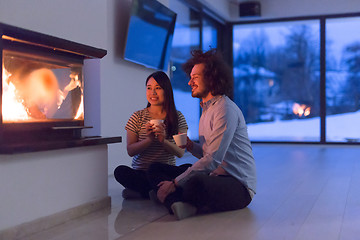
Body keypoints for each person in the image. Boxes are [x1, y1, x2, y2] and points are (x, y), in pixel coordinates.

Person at [147, 49, 257, 220]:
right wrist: (190, 146)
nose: (190, 82)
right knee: (156, 168)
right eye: (190, 77)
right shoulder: (206, 109)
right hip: (214, 174)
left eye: (195, 77)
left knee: (193, 182)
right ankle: (178, 202)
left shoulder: (224, 109)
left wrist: (175, 183)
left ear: (212, 78)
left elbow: (212, 160)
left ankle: (169, 197)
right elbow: (208, 155)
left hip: (237, 185)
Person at [114, 71, 189, 199]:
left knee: (189, 168)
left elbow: (181, 152)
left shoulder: (178, 117)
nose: (152, 93)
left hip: (165, 171)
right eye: (149, 88)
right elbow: (130, 150)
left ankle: (143, 192)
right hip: (142, 172)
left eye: (158, 88)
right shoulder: (137, 117)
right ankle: (156, 190)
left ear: (167, 91)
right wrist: (149, 140)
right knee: (120, 171)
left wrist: (163, 140)